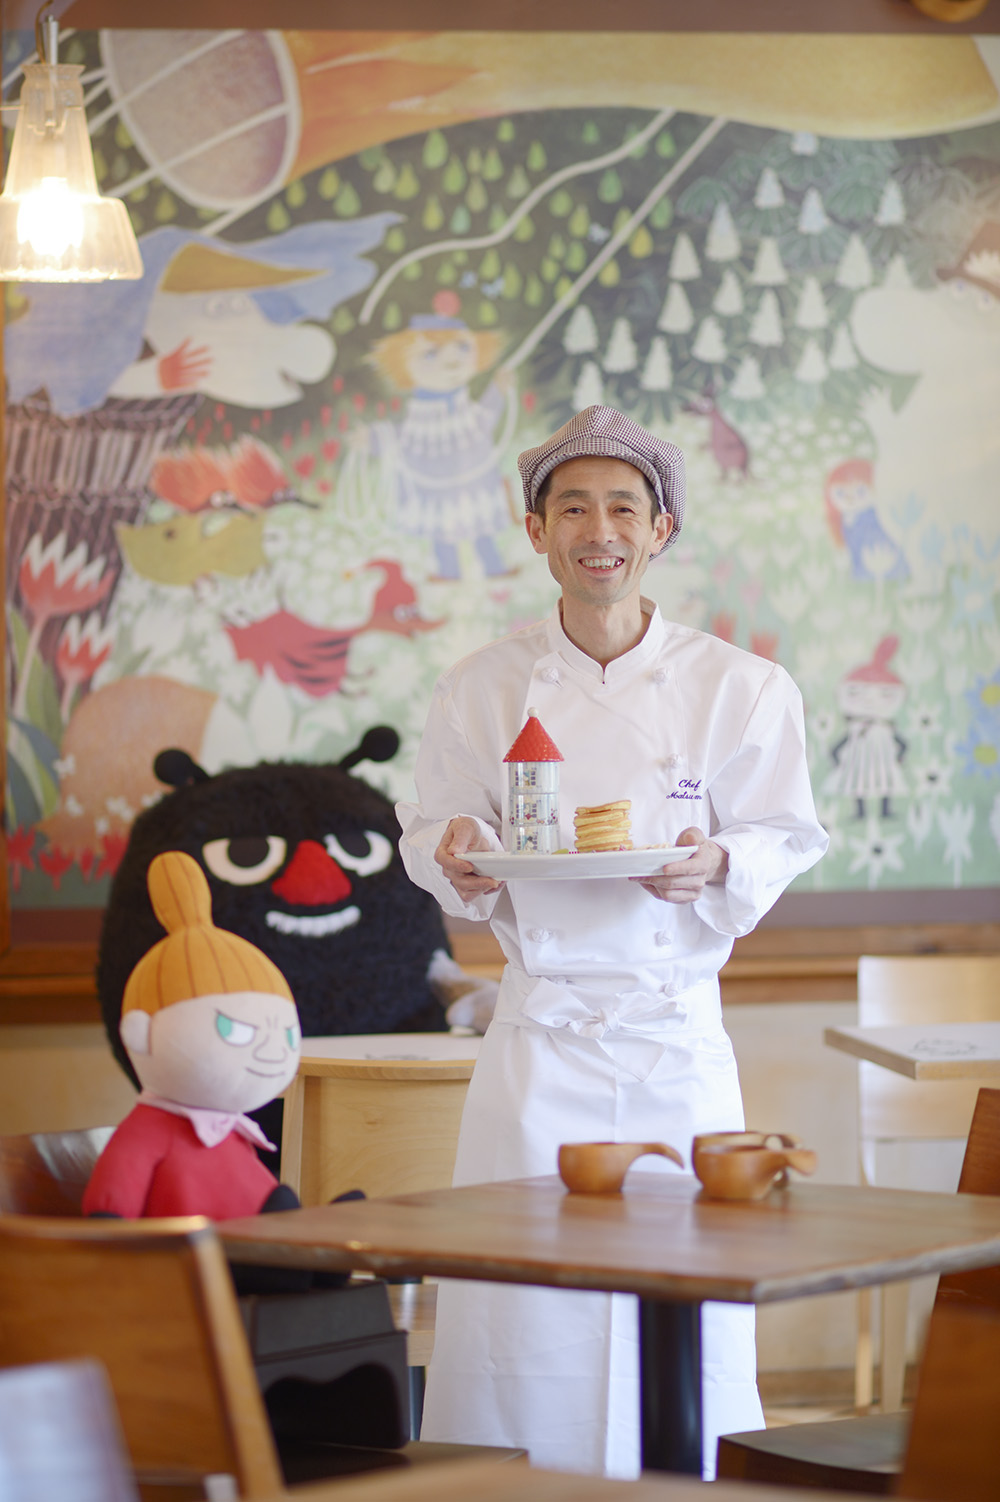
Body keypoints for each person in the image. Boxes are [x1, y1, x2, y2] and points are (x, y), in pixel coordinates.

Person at [396, 404, 829, 1479]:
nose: (601, 531)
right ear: (536, 529)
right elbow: (430, 832)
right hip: (537, 1039)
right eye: (574, 508)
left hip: (674, 1040)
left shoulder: (741, 687)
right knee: (519, 1304)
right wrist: (454, 852)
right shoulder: (480, 686)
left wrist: (717, 861)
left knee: (688, 1297)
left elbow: (785, 831)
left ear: (660, 529)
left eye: (624, 509)